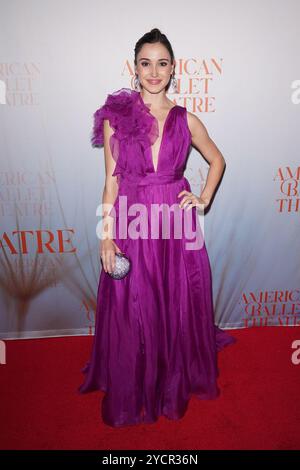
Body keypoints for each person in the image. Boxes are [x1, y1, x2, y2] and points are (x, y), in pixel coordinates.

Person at [78, 28, 236, 427]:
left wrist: (203, 198)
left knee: (176, 299)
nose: (153, 71)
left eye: (161, 63)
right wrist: (106, 234)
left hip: (175, 223)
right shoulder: (118, 117)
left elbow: (217, 160)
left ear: (172, 69)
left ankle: (172, 375)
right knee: (135, 306)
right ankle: (136, 381)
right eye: (145, 63)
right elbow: (112, 180)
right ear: (135, 68)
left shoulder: (186, 119)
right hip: (132, 220)